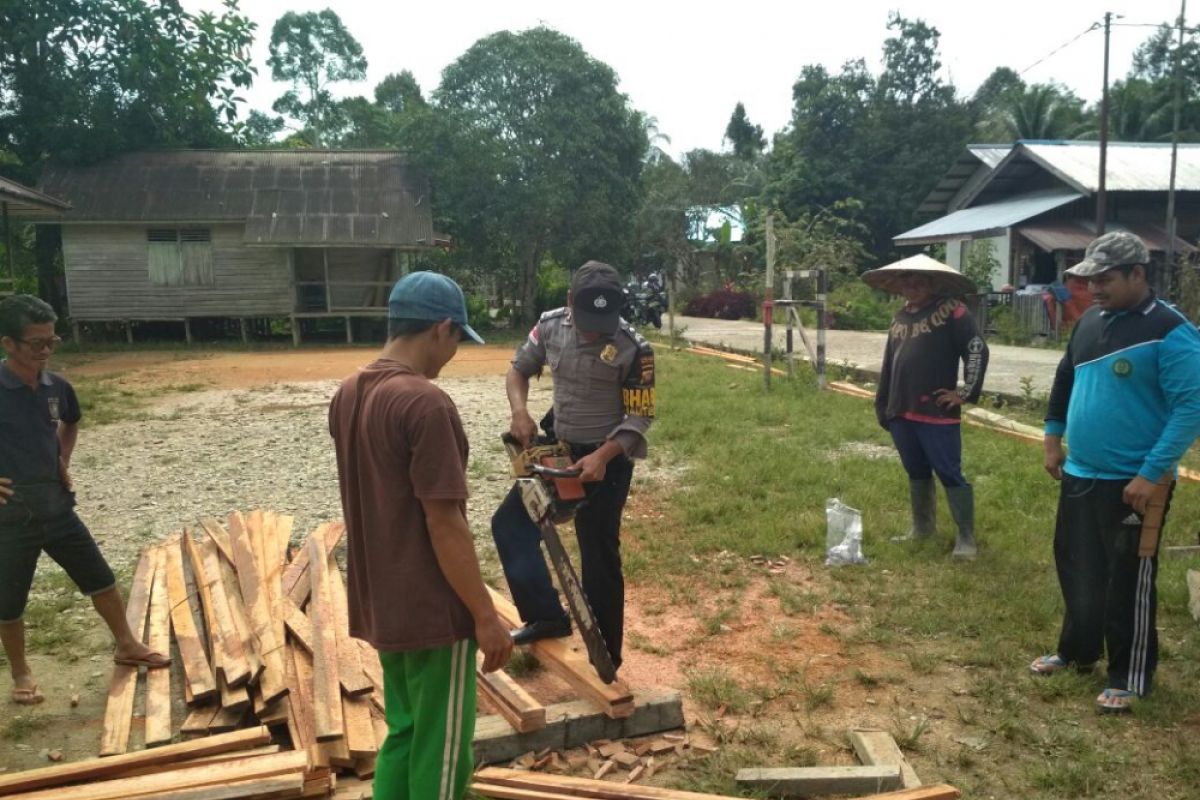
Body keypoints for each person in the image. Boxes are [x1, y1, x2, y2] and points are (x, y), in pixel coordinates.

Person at [328, 272, 513, 799]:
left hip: (384, 602)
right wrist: (484, 615)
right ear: (442, 328)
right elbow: (444, 520)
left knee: (405, 732)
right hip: (434, 610)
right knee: (444, 746)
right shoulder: (426, 404)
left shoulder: (348, 393)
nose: (452, 353)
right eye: (457, 340)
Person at [1033, 231, 1200, 713]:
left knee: (1128, 576)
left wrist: (1151, 473)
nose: (1096, 289)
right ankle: (1077, 651)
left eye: (1105, 279)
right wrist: (1051, 436)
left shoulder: (1171, 330)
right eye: (1091, 279)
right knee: (1077, 562)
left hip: (1134, 483)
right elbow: (1065, 376)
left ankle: (1130, 673)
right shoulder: (1089, 321)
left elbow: (1190, 406)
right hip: (1081, 471)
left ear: (1137, 274)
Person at [0, 294, 169, 707]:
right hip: (9, 515)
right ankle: (21, 672)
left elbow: (71, 422)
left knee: (101, 578)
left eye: (50, 341)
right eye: (35, 343)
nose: (44, 351)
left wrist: (62, 459)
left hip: (57, 506)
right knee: (8, 599)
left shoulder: (57, 387)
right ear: (8, 343)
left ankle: (126, 644)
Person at [491, 260, 655, 670]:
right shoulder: (549, 327)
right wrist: (519, 411)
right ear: (568, 302)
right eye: (586, 319)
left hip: (607, 462)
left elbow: (639, 417)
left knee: (598, 551)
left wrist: (603, 455)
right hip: (557, 453)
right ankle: (546, 616)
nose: (593, 330)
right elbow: (518, 370)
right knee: (511, 524)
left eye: (602, 321)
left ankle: (606, 654)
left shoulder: (635, 348)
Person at [864, 255, 989, 559]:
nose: (913, 285)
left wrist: (965, 392)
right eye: (907, 279)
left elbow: (976, 350)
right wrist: (884, 402)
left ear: (934, 282)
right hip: (901, 408)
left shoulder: (953, 312)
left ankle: (966, 536)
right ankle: (922, 527)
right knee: (916, 469)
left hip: (936, 411)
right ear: (899, 283)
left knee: (949, 471)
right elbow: (889, 363)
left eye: (921, 279)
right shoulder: (900, 316)